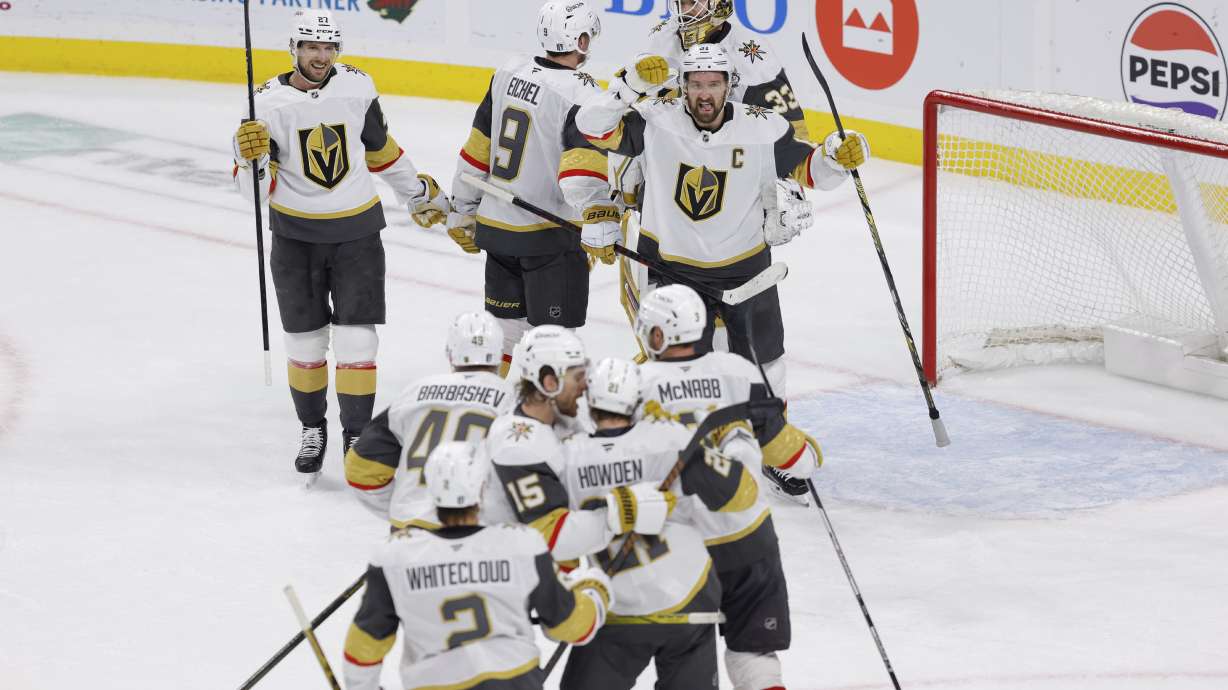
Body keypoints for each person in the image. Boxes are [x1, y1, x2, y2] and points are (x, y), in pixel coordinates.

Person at [564, 43, 869, 396]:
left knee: (766, 377)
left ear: (728, 85)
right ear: (683, 87)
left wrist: (835, 158)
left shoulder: (763, 129)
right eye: (695, 84)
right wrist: (627, 87)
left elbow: (813, 173)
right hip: (672, 274)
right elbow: (591, 126)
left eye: (713, 84)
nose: (704, 94)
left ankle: (769, 444)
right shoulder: (655, 120)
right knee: (679, 381)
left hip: (747, 275)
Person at [232, 9, 451, 476]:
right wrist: (246, 158)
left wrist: (416, 192)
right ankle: (313, 427)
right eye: (312, 47)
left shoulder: (357, 86)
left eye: (329, 47)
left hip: (357, 234)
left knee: (357, 342)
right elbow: (253, 190)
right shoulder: (265, 104)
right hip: (295, 238)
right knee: (307, 345)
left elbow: (381, 150)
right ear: (294, 48)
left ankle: (356, 432)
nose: (321, 56)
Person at [636, 284, 825, 690]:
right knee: (755, 654)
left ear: (657, 335)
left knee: (685, 666)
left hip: (679, 548)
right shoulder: (738, 372)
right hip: (748, 539)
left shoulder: (632, 384)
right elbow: (794, 458)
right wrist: (806, 452)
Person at [341, 441, 612, 690]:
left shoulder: (395, 555)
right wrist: (595, 590)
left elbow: (365, 644)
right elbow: (569, 627)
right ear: (481, 488)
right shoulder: (522, 544)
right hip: (515, 681)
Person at [557, 357, 761, 690]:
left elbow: (556, 540)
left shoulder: (569, 458)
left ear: (590, 403)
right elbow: (741, 495)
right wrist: (735, 438)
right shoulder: (671, 439)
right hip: (688, 604)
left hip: (618, 611)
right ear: (637, 400)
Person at [448, 1, 607, 377]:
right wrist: (600, 218)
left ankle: (488, 407)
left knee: (503, 337)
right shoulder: (582, 94)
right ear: (581, 40)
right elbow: (582, 176)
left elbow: (478, 147)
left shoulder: (507, 72)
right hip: (549, 239)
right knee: (554, 343)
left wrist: (462, 207)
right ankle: (548, 427)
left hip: (498, 230)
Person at [486, 326, 675, 561]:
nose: (586, 385)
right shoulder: (516, 446)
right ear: (550, 382)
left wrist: (639, 421)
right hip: (516, 569)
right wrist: (619, 511)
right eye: (578, 377)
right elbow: (548, 534)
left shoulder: (556, 411)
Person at [344, 311, 514, 531]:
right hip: (480, 534)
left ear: (450, 353)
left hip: (412, 531)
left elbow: (361, 469)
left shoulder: (415, 393)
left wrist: (403, 510)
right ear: (500, 354)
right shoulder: (515, 402)